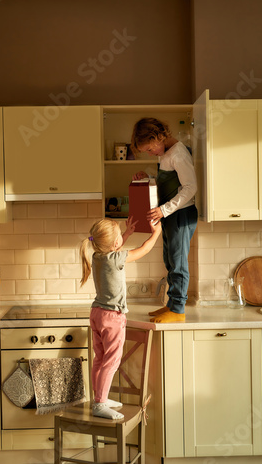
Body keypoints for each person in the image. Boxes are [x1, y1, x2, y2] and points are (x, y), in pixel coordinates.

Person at [80, 216, 161, 420]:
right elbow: (143, 250)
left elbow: (112, 248)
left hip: (97, 314)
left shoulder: (97, 256)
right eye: (118, 238)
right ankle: (100, 404)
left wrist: (125, 234)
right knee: (112, 361)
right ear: (115, 243)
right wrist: (156, 234)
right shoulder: (115, 258)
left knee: (100, 359)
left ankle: (100, 398)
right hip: (112, 317)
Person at [131, 117, 198, 324]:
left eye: (150, 149)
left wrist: (164, 210)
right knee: (170, 260)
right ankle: (171, 305)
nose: (150, 153)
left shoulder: (178, 153)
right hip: (169, 215)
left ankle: (178, 310)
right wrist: (146, 178)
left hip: (180, 215)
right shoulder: (166, 154)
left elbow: (190, 187)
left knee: (178, 263)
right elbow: (169, 184)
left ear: (159, 137)